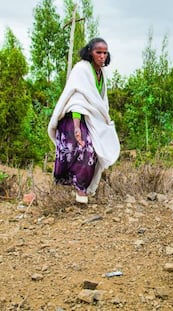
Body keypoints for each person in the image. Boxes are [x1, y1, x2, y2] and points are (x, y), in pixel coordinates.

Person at [48, 37, 120, 204]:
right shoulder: (81, 69)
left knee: (94, 150)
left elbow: (100, 101)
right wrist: (77, 127)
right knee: (84, 148)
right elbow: (77, 99)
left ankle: (83, 190)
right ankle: (80, 192)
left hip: (90, 118)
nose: (102, 56)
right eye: (98, 52)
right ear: (90, 52)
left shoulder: (102, 73)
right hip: (74, 117)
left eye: (105, 53)